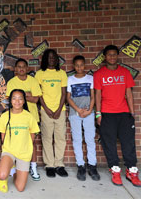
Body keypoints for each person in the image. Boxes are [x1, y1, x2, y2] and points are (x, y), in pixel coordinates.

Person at [94, 45, 141, 187]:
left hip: (124, 113)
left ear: (117, 56)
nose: (112, 57)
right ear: (105, 57)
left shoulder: (125, 72)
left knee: (128, 143)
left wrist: (132, 112)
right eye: (109, 55)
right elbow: (97, 95)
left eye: (114, 55)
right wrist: (98, 113)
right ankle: (115, 170)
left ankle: (131, 171)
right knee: (109, 144)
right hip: (107, 113)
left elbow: (129, 93)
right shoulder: (99, 74)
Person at [0, 89, 40, 193]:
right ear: (10, 101)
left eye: (20, 99)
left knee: (20, 188)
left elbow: (32, 136)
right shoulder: (5, 116)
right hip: (9, 151)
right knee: (1, 175)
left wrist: (26, 148)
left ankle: (14, 169)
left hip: (24, 153)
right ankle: (5, 177)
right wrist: (7, 148)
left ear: (24, 101)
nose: (17, 101)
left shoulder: (29, 116)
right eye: (14, 98)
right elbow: (3, 136)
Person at [6, 58, 42, 181]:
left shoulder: (33, 81)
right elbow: (10, 100)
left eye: (23, 66)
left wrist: (21, 96)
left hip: (31, 117)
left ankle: (33, 167)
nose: (21, 69)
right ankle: (14, 167)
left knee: (32, 143)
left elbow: (36, 99)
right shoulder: (11, 82)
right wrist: (28, 95)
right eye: (19, 67)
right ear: (16, 69)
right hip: (15, 117)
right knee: (14, 141)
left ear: (27, 68)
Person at [35, 49, 68, 178]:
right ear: (45, 59)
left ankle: (59, 164)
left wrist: (59, 109)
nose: (52, 60)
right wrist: (47, 110)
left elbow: (64, 93)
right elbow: (38, 94)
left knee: (60, 138)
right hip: (45, 111)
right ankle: (49, 165)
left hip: (60, 111)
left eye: (54, 57)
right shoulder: (39, 74)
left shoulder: (62, 73)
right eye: (49, 58)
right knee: (47, 138)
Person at [67, 55, 100, 181]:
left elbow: (93, 96)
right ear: (74, 66)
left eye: (82, 65)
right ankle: (80, 165)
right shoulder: (70, 79)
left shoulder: (90, 78)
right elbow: (68, 97)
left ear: (84, 65)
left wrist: (90, 110)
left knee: (90, 139)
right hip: (75, 113)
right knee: (77, 140)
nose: (79, 67)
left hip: (89, 113)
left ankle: (92, 165)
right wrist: (78, 109)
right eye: (77, 65)